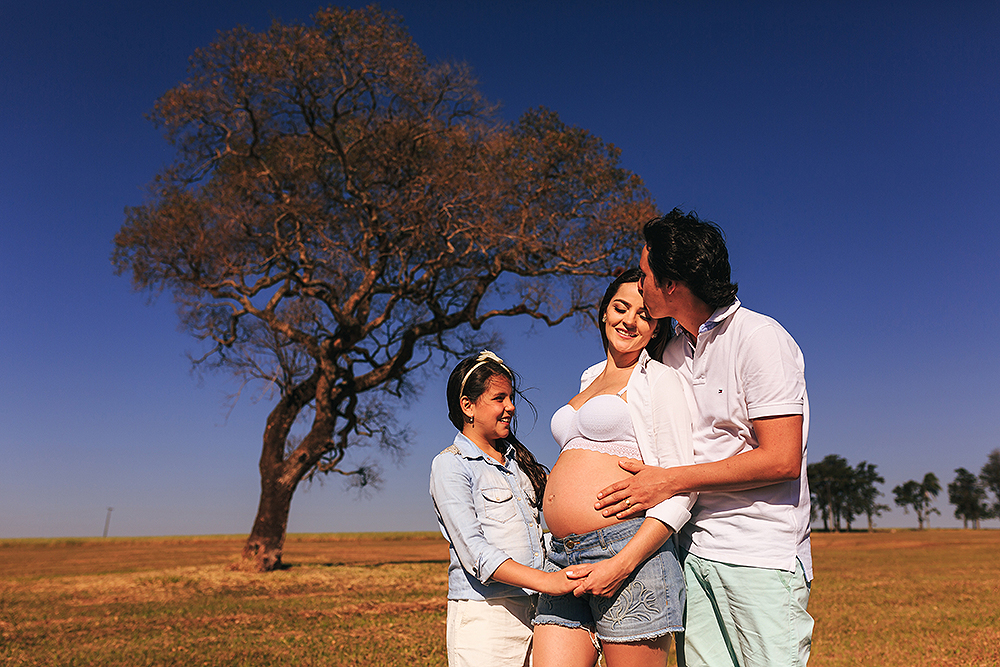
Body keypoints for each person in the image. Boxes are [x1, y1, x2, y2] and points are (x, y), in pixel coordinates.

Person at [594, 209, 814, 667]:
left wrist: (668, 481)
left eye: (648, 273)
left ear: (671, 285)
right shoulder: (672, 351)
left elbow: (781, 459)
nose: (641, 282)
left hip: (759, 555)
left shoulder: (759, 338)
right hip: (690, 551)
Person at [532, 269, 696, 667]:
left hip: (626, 552)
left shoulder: (659, 380)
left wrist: (620, 565)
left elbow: (681, 488)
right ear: (603, 312)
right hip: (562, 558)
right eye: (621, 308)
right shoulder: (588, 378)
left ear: (656, 329)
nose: (629, 321)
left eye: (644, 315)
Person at [431, 350, 579, 667]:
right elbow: (475, 553)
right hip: (486, 618)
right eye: (499, 398)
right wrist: (548, 581)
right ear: (467, 406)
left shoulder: (520, 465)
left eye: (510, 398)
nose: (510, 407)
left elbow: (560, 509)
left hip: (537, 612)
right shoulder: (451, 464)